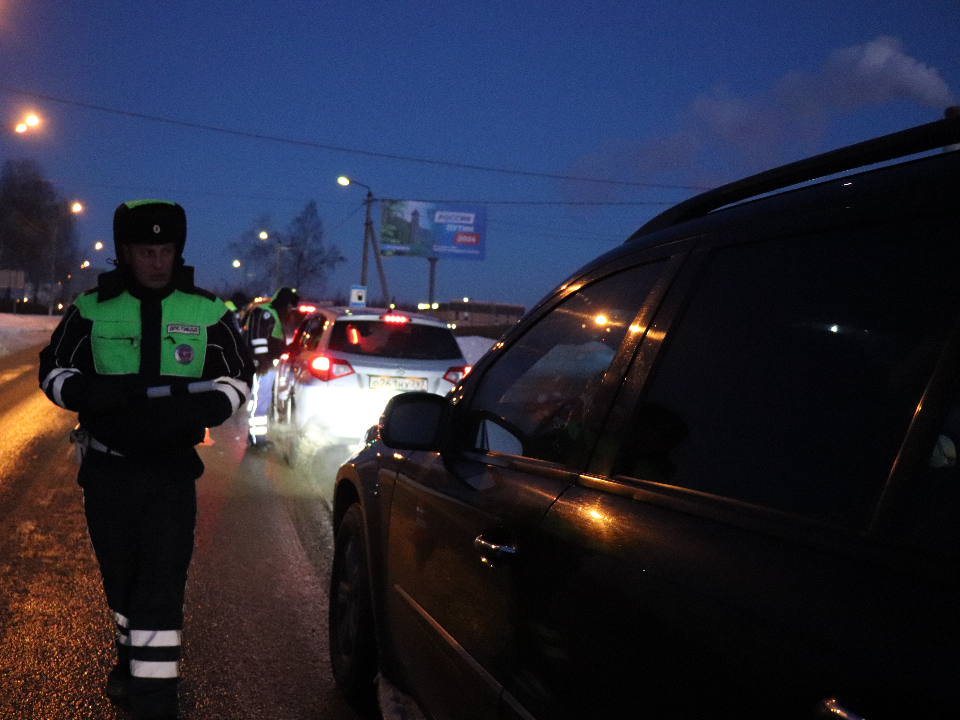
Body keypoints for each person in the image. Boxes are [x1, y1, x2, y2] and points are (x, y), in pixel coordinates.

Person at [38, 199, 255, 720]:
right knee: (122, 581)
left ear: (177, 250)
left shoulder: (208, 312)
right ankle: (129, 659)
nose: (157, 261)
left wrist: (209, 404)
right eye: (144, 250)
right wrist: (86, 394)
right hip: (108, 472)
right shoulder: (91, 309)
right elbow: (51, 372)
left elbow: (240, 376)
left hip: (170, 473)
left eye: (165, 250)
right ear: (125, 253)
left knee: (160, 585)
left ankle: (155, 701)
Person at [242, 286, 299, 447]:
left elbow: (273, 341)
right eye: (289, 306)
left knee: (261, 401)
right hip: (260, 365)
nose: (290, 310)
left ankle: (256, 438)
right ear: (283, 303)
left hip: (264, 365)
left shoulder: (273, 314)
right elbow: (258, 340)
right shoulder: (265, 313)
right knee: (260, 401)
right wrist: (263, 361)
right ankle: (256, 440)